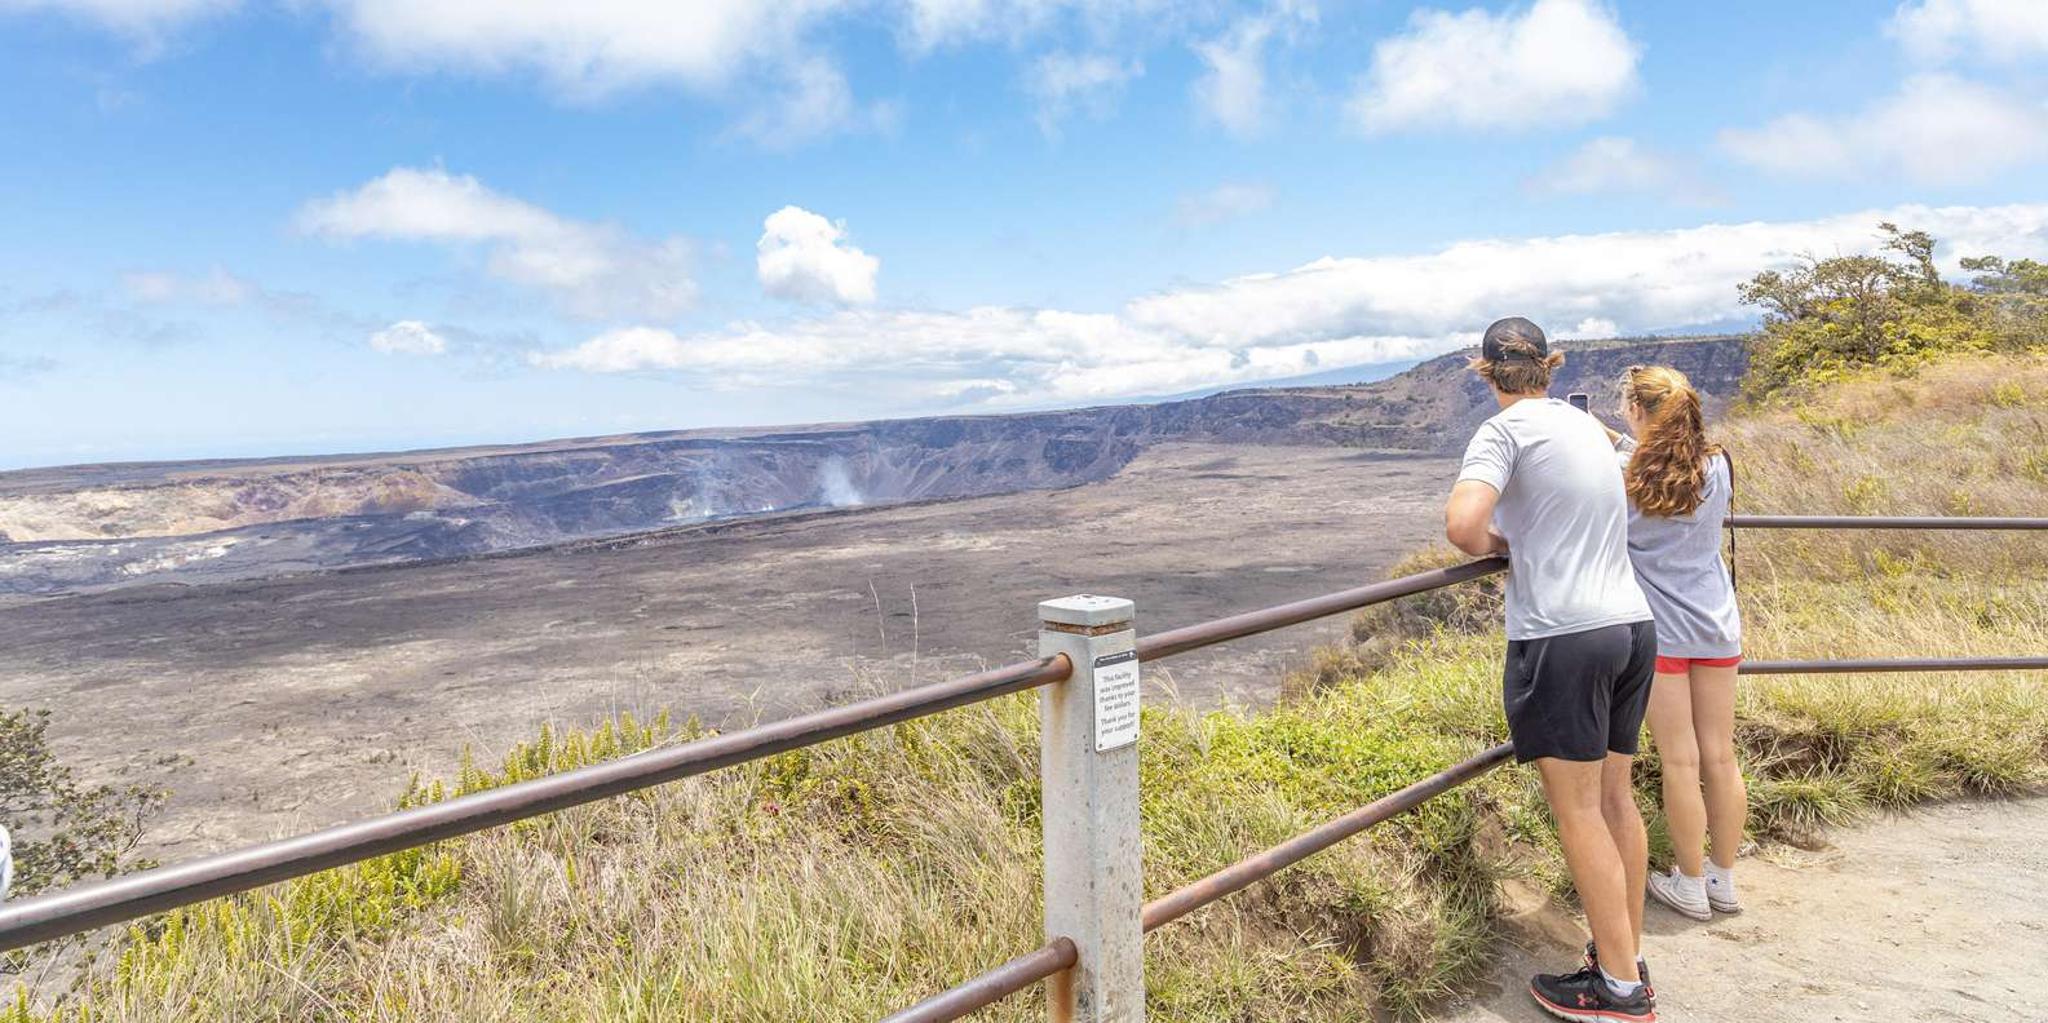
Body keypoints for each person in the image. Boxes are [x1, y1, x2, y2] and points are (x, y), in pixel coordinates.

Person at [1445, 317, 1659, 1023]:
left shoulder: (1503, 433)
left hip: (1565, 636)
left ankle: (1621, 990)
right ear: (1550, 367)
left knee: (1578, 812)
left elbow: (1462, 524)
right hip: (1632, 624)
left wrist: (1500, 540)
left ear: (1486, 371)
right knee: (1615, 800)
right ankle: (1619, 955)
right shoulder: (1585, 428)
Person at [1606, 365, 1745, 923]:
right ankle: (1723, 879)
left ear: (1638, 411)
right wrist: (1618, 437)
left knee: (1680, 761)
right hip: (1716, 625)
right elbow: (1671, 460)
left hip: (1662, 632)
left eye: (1625, 408)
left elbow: (1638, 470)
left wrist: (1613, 442)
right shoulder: (1719, 466)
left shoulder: (1623, 472)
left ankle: (1688, 883)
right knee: (1720, 755)